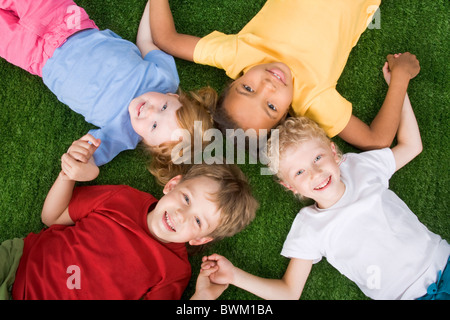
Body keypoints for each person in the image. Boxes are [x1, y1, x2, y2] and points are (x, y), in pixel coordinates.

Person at [199, 55, 450, 300]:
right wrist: (234, 276)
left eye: (317, 158)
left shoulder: (360, 168)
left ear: (334, 152)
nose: (316, 173)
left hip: (443, 261)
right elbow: (289, 293)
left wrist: (400, 83)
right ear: (290, 186)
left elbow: (411, 147)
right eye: (299, 173)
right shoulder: (310, 227)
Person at [0, 134, 258, 300]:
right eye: (186, 199)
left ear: (201, 239)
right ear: (172, 185)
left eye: (198, 221)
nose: (181, 214)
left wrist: (202, 299)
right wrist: (68, 174)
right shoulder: (122, 199)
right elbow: (52, 217)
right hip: (17, 266)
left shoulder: (174, 272)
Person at [149, 0, 422, 151]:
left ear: (235, 79)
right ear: (285, 116)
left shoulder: (239, 55)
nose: (267, 85)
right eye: (270, 106)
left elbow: (166, 38)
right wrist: (401, 78)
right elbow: (377, 140)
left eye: (247, 88)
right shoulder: (313, 99)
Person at [0, 0, 216, 184]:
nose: (150, 111)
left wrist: (89, 170)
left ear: (148, 144)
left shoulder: (121, 136)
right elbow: (146, 41)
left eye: (154, 126)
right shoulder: (165, 77)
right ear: (174, 96)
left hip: (36, 58)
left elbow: (89, 158)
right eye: (164, 107)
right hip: (68, 22)